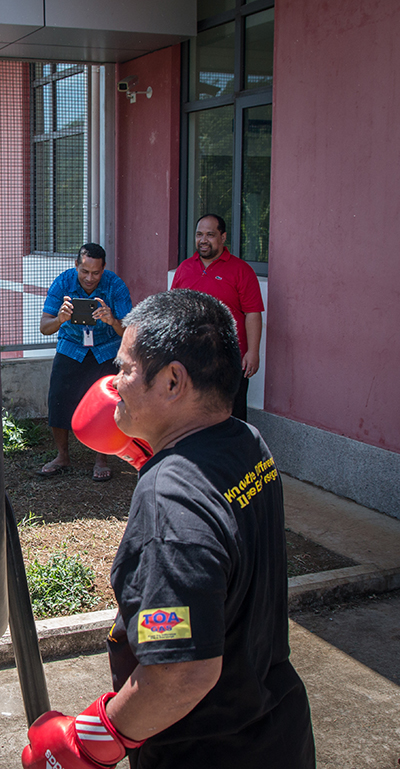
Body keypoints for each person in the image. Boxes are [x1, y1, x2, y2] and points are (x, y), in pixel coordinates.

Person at [22, 289, 315, 769]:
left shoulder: (170, 499)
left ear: (174, 381)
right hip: (276, 729)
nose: (112, 384)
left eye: (125, 369)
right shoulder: (246, 441)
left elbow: (184, 670)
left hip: (206, 752)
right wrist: (152, 453)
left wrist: (97, 738)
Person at [39, 243, 132, 481]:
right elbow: (44, 327)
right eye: (85, 271)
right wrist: (60, 319)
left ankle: (101, 459)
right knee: (58, 399)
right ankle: (62, 456)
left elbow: (129, 331)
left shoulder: (116, 285)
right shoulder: (62, 283)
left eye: (96, 273)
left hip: (106, 351)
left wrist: (112, 321)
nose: (90, 278)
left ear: (104, 269)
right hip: (71, 349)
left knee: (106, 406)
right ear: (76, 265)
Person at [171, 213, 264, 421]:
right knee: (193, 415)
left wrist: (253, 352)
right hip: (191, 358)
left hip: (229, 359)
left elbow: (253, 313)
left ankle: (233, 454)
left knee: (232, 416)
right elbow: (174, 312)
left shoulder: (242, 271)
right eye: (199, 234)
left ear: (223, 237)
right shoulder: (184, 268)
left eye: (210, 235)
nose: (203, 240)